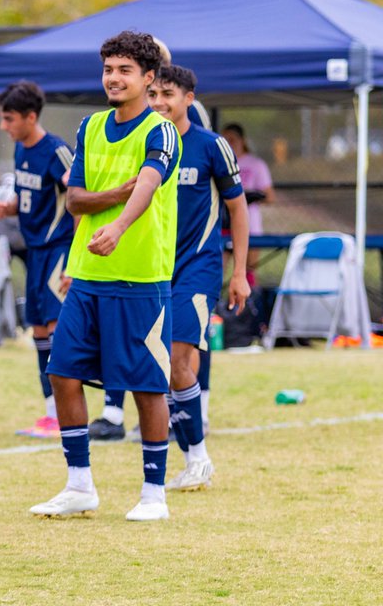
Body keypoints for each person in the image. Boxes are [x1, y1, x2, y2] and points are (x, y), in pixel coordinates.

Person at [29, 30, 180, 522]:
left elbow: (151, 183)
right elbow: (74, 199)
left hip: (140, 277)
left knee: (147, 386)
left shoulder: (161, 131)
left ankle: (153, 494)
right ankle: (79, 486)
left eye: (125, 71)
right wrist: (116, 194)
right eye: (108, 69)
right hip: (87, 273)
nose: (113, 78)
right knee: (62, 372)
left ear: (148, 78)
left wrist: (117, 224)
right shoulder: (91, 127)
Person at [147, 65, 250, 491]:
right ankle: (193, 458)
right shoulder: (147, 145)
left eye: (167, 94)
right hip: (152, 271)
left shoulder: (212, 146)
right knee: (174, 365)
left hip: (198, 269)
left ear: (190, 98)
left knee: (174, 360)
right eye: (153, 94)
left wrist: (239, 273)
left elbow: (238, 209)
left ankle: (198, 458)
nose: (158, 103)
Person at [0, 81, 75, 440]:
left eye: (9, 119)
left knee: (59, 335)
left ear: (31, 117)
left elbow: (78, 199)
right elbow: (34, 200)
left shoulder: (56, 151)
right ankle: (52, 414)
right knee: (40, 332)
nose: (4, 127)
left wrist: (75, 258)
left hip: (58, 250)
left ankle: (78, 414)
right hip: (35, 252)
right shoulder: (21, 150)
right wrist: (7, 208)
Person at [220, 123, 274, 282]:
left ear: (242, 140)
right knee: (217, 269)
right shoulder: (220, 161)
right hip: (224, 223)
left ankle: (248, 305)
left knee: (248, 270)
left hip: (250, 224)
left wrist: (252, 196)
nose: (229, 143)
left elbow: (270, 196)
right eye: (225, 139)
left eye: (232, 139)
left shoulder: (256, 164)